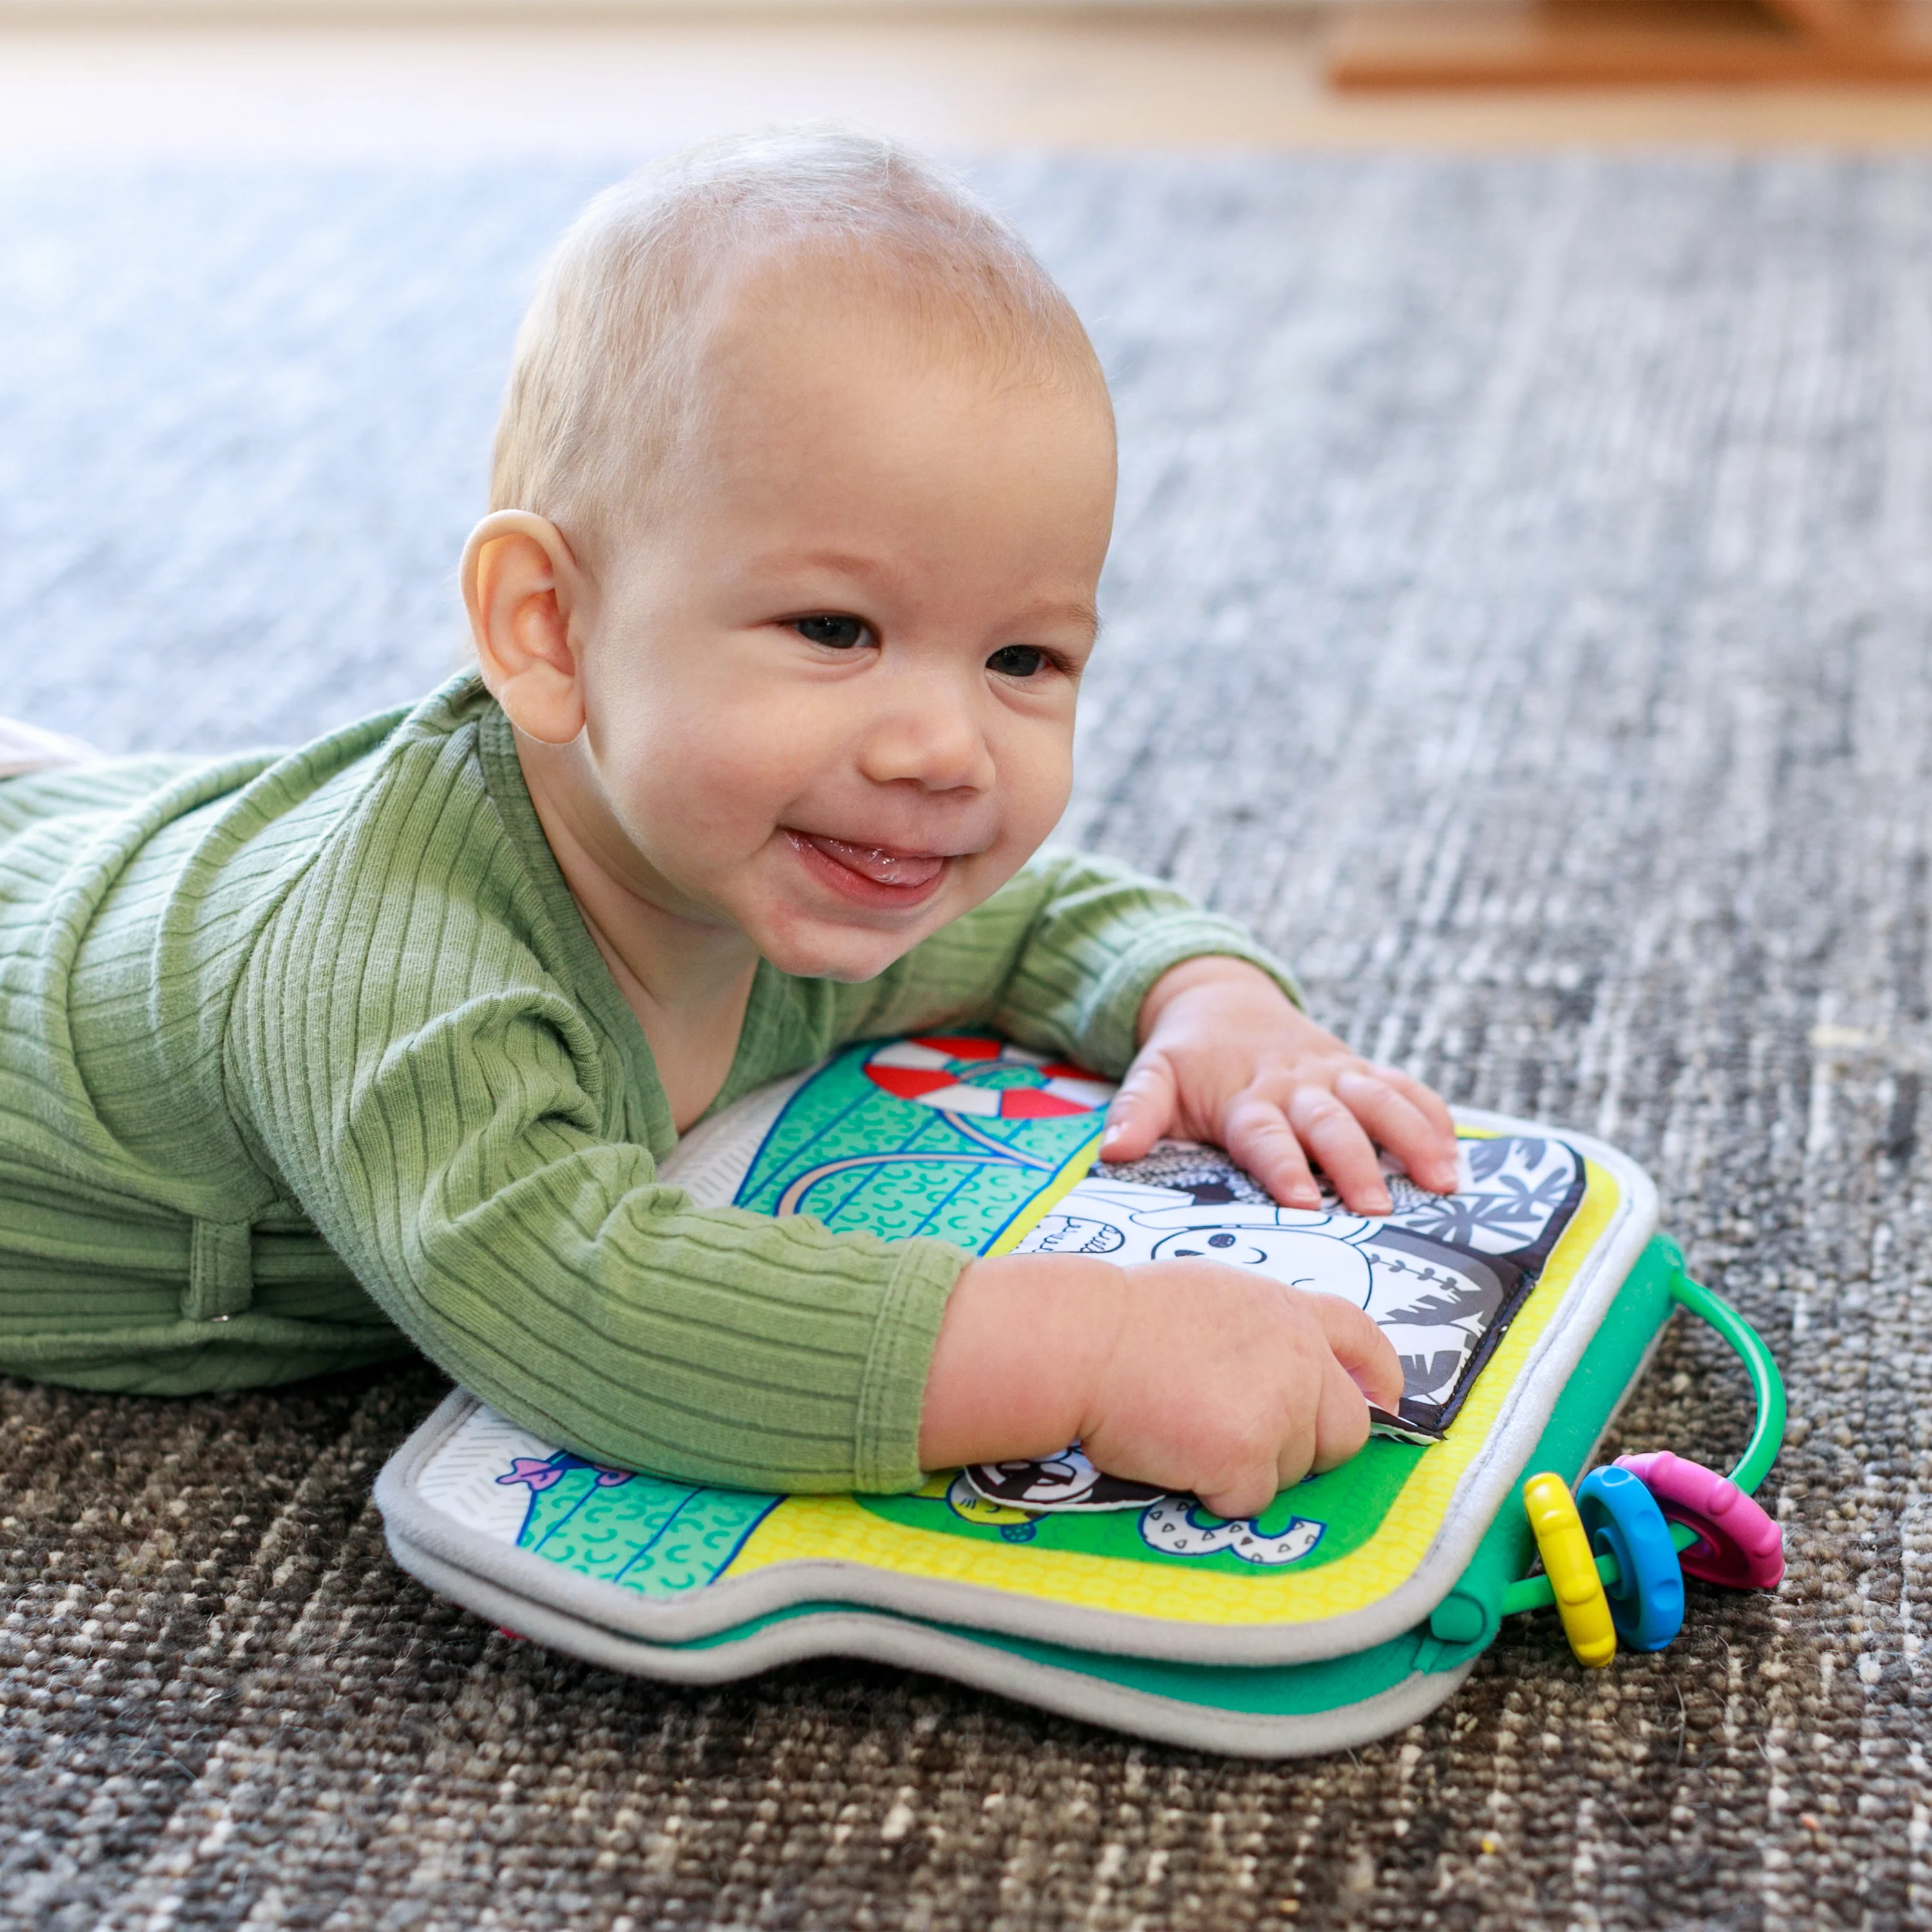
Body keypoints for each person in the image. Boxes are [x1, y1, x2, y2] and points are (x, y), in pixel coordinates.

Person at [0, 129, 1460, 1523]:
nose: (944, 750)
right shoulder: (395, 978)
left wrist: (1211, 1001)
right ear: (550, 630)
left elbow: (1040, 919)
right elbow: (592, 1309)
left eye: (1024, 659)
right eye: (836, 628)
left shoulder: (769, 850)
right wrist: (1086, 1351)